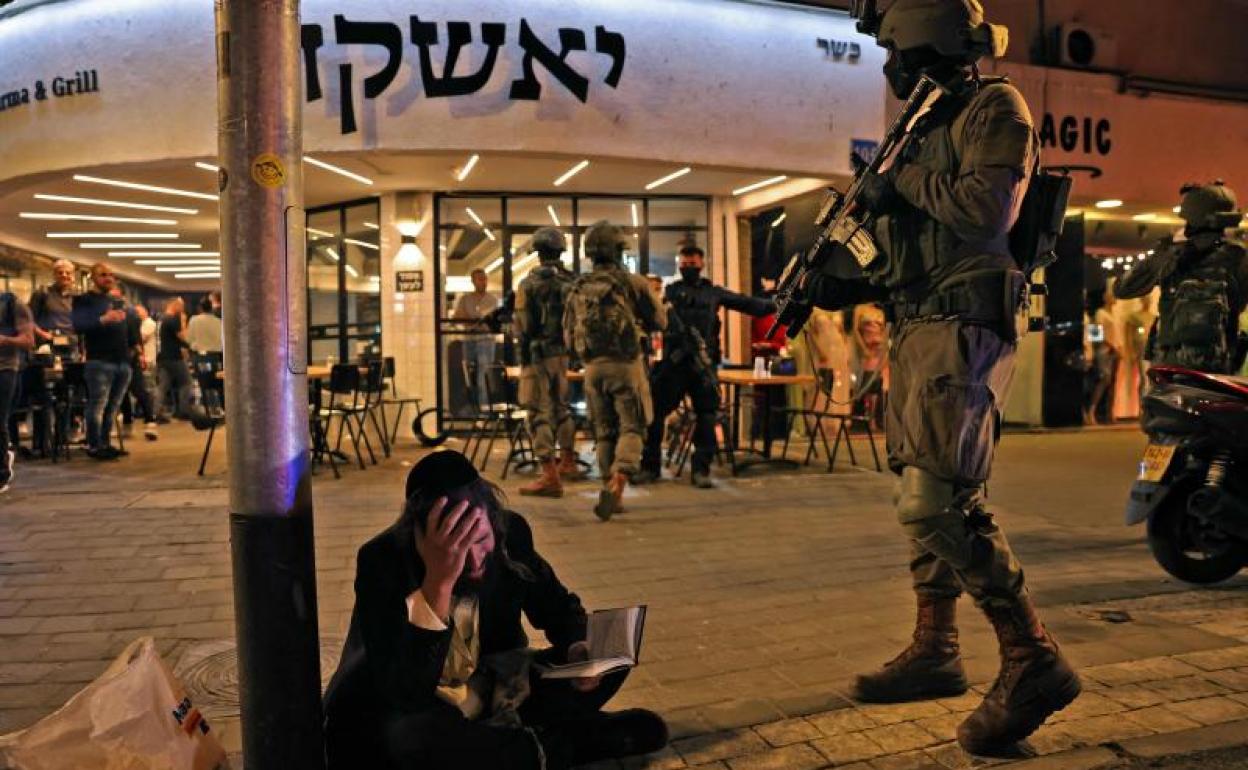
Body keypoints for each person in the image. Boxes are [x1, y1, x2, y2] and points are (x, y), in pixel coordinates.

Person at [800, 0, 1080, 754]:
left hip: (964, 322)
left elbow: (985, 211)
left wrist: (904, 181)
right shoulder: (927, 125)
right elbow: (907, 250)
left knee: (933, 502)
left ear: (923, 42)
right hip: (920, 324)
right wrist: (842, 279)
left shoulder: (996, 108)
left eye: (894, 52)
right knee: (924, 487)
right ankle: (936, 646)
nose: (890, 68)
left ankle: (1032, 654)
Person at [323, 450, 668, 770]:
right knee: (408, 738)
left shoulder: (510, 531)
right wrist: (438, 582)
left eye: (481, 541)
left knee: (611, 651)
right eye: (459, 547)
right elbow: (407, 690)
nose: (474, 560)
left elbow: (558, 608)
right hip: (428, 698)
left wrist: (579, 647)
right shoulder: (383, 559)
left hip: (501, 681)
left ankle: (513, 742)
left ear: (492, 519)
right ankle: (559, 744)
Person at [636, 245, 773, 489]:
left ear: (701, 264)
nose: (688, 267)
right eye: (684, 263)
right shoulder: (669, 292)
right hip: (674, 365)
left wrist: (778, 303)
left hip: (702, 365)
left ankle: (701, 469)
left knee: (707, 417)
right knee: (654, 414)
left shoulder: (713, 293)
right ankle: (649, 467)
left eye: (692, 263)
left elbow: (748, 304)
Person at [563, 221, 665, 520]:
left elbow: (567, 334)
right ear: (619, 250)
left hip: (592, 370)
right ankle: (618, 481)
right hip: (627, 366)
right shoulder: (633, 283)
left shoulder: (577, 287)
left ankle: (610, 492)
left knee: (604, 432)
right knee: (633, 427)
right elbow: (661, 321)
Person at [1114, 181, 1248, 374]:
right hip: (1212, 371)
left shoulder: (1173, 256)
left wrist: (1160, 254)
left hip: (1172, 369)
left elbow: (1123, 289)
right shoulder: (1238, 258)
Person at [514, 228, 581, 498]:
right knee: (562, 409)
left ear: (538, 252)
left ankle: (549, 476)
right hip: (563, 356)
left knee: (538, 413)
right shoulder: (572, 281)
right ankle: (568, 461)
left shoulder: (529, 284)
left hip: (538, 357)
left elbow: (524, 325)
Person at [71, 263, 137, 460]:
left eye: (111, 275)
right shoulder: (84, 300)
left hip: (123, 361)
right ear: (92, 277)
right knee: (97, 405)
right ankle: (94, 445)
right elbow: (78, 325)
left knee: (113, 406)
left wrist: (134, 350)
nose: (108, 278)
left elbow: (129, 329)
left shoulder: (117, 300)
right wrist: (102, 320)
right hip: (99, 360)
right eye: (103, 275)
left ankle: (105, 443)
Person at [0, 291, 34, 492]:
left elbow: (28, 341)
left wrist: (4, 339)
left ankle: (2, 473)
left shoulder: (12, 305)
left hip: (4, 368)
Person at [453, 268, 501, 410]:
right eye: (480, 279)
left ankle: (483, 409)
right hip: (469, 340)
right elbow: (458, 317)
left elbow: (494, 322)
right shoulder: (465, 299)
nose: (483, 282)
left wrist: (479, 322)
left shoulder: (493, 300)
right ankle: (473, 406)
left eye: (485, 279)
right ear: (473, 281)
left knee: (483, 375)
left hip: (485, 341)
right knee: (469, 375)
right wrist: (473, 321)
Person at [28, 259, 79, 360]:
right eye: (60, 272)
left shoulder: (76, 297)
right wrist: (42, 333)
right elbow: (28, 320)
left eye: (68, 273)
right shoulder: (42, 293)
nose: (64, 275)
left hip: (70, 345)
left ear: (72, 276)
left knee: (72, 369)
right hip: (47, 346)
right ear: (54, 275)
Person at [157, 297, 194, 419]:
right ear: (174, 305)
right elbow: (182, 337)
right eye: (181, 305)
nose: (183, 308)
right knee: (186, 382)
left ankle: (156, 412)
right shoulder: (173, 319)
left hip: (163, 357)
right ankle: (184, 411)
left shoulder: (163, 319)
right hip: (174, 357)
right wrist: (183, 321)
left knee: (163, 386)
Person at [186, 295, 224, 368]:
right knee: (214, 375)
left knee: (202, 374)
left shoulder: (194, 320)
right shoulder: (218, 321)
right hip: (215, 357)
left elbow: (189, 339)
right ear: (211, 308)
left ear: (200, 308)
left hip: (200, 357)